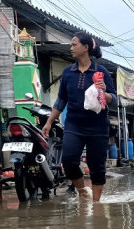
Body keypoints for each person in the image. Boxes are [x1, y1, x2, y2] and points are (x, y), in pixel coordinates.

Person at [42, 32, 117, 201]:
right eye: (71, 45)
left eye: (74, 45)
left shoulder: (101, 71)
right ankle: (82, 190)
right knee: (68, 160)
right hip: (74, 125)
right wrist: (49, 121)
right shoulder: (68, 72)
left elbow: (114, 100)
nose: (71, 48)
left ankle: (96, 204)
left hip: (98, 126)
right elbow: (61, 99)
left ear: (86, 47)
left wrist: (105, 92)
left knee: (96, 166)